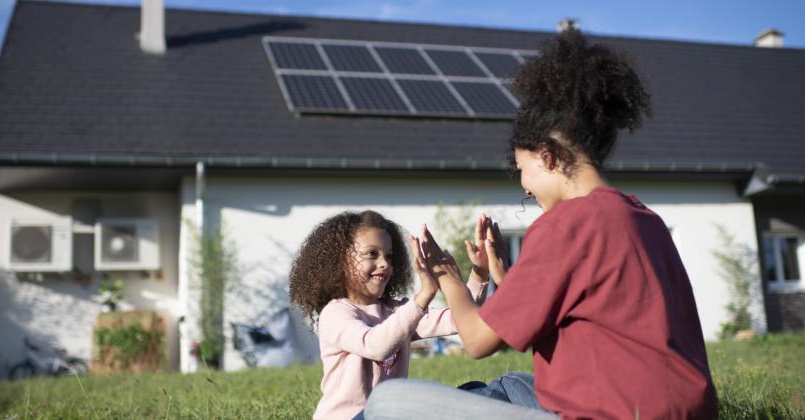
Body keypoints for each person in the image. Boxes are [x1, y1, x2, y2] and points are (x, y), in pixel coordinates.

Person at [366, 28, 718, 419]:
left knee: (387, 402)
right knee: (512, 386)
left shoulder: (567, 224)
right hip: (677, 410)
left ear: (547, 157)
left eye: (522, 169)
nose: (526, 188)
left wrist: (447, 275)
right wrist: (507, 275)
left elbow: (480, 341)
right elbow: (591, 305)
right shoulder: (643, 218)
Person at [289, 210, 490, 420]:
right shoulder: (335, 314)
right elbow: (375, 346)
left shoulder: (397, 312)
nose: (384, 263)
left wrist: (480, 273)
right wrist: (423, 296)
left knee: (475, 391)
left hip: (387, 414)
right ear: (340, 262)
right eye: (372, 254)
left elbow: (460, 318)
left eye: (389, 256)